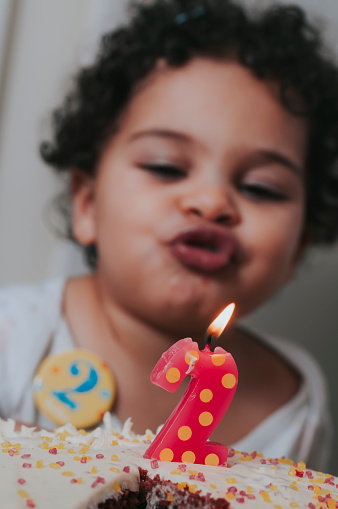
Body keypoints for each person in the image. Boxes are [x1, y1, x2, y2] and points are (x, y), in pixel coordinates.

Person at [1, 0, 338, 471]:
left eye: (260, 188)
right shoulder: (13, 339)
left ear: (299, 245)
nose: (211, 201)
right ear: (88, 204)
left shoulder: (297, 401)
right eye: (165, 166)